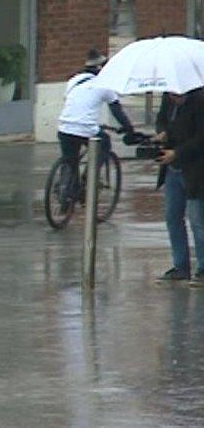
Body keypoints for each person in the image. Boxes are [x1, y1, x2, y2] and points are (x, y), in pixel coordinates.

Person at [56, 49, 134, 198]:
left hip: (64, 127)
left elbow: (72, 104)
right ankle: (90, 178)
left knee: (70, 161)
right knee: (105, 143)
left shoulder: (74, 81)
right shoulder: (105, 85)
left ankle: (67, 191)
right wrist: (129, 129)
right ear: (100, 69)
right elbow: (117, 112)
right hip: (86, 129)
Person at [153, 89, 204, 281]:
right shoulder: (168, 99)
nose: (174, 98)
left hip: (195, 169)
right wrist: (162, 133)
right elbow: (161, 120)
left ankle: (202, 268)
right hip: (172, 168)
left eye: (178, 96)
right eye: (172, 95)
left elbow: (201, 138)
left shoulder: (199, 100)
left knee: (197, 220)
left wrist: (178, 153)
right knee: (173, 217)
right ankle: (180, 266)